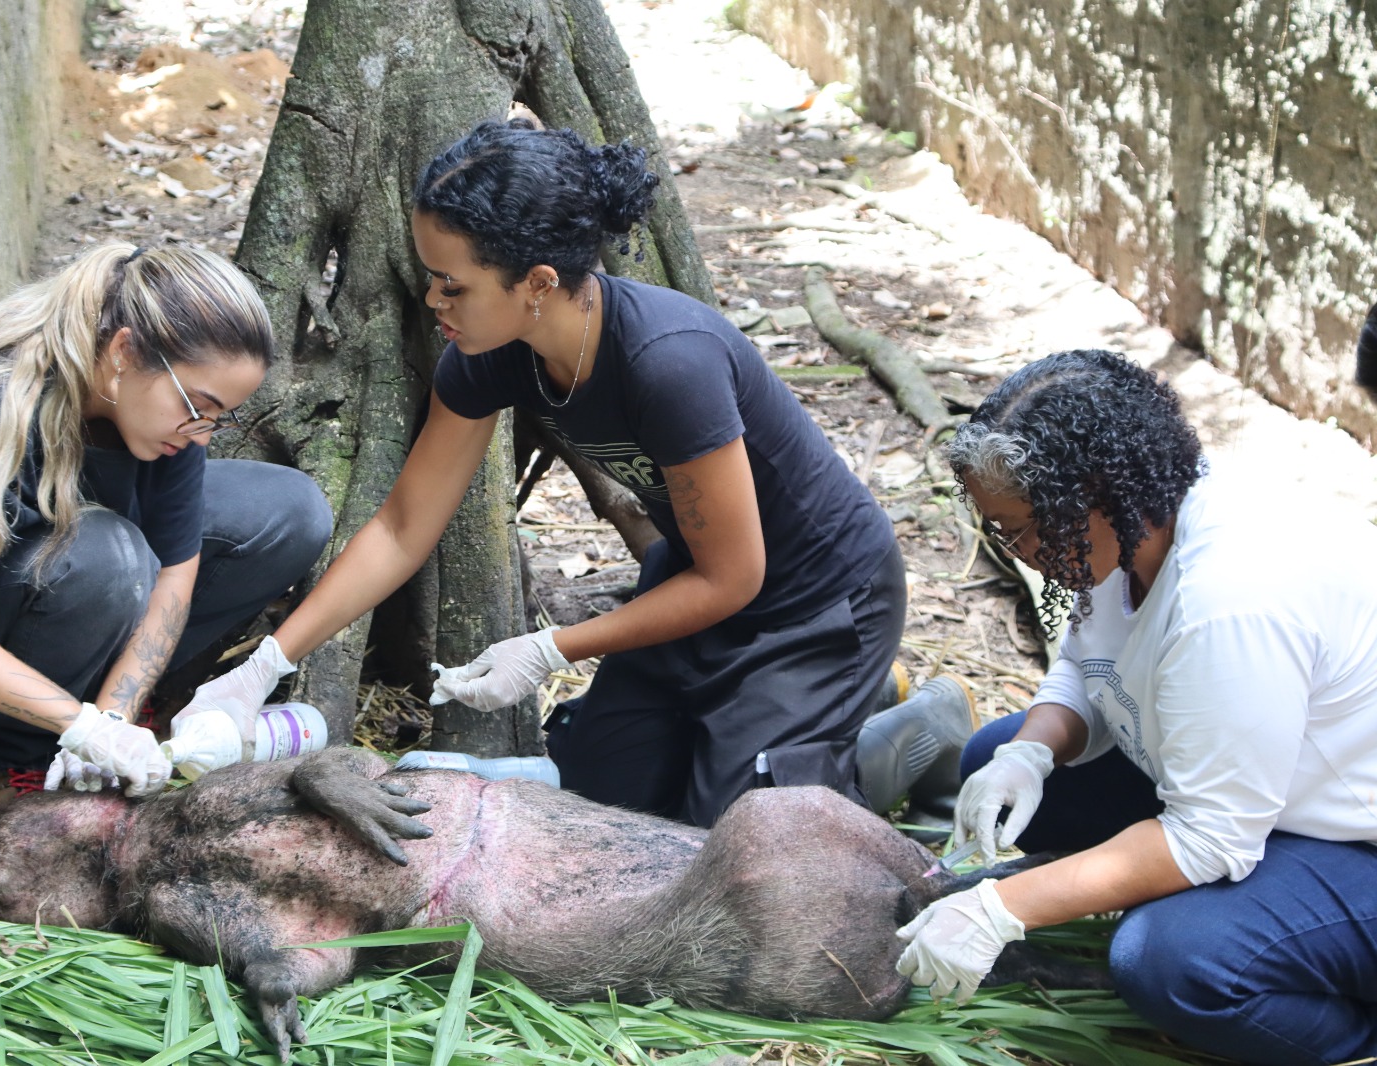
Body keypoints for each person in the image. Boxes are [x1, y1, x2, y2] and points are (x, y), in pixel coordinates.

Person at [178, 118, 975, 829]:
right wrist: (264, 666)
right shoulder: (488, 354)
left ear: (537, 284)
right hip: (693, 580)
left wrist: (551, 649)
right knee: (599, 807)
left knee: (730, 841)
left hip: (817, 601)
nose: (432, 300)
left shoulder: (670, 364)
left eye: (453, 284)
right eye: (430, 275)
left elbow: (736, 576)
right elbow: (401, 527)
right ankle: (827, 722)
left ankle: (895, 732)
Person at [894, 349, 1377, 1066]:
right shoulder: (1135, 523)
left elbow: (1211, 837)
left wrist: (1002, 907)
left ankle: (1351, 1037)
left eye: (1021, 529)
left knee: (1170, 960)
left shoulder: (1228, 600)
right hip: (1267, 797)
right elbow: (1087, 667)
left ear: (1093, 490)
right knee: (991, 755)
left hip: (1352, 842)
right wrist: (1028, 754)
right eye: (1000, 533)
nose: (1019, 552)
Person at [0, 242, 332, 805]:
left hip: (90, 577)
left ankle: (125, 714)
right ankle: (9, 762)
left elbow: (175, 574)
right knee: (112, 556)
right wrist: (80, 727)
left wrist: (114, 717)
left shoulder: (165, 423)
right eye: (196, 407)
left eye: (217, 417)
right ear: (124, 351)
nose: (202, 435)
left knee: (292, 510)